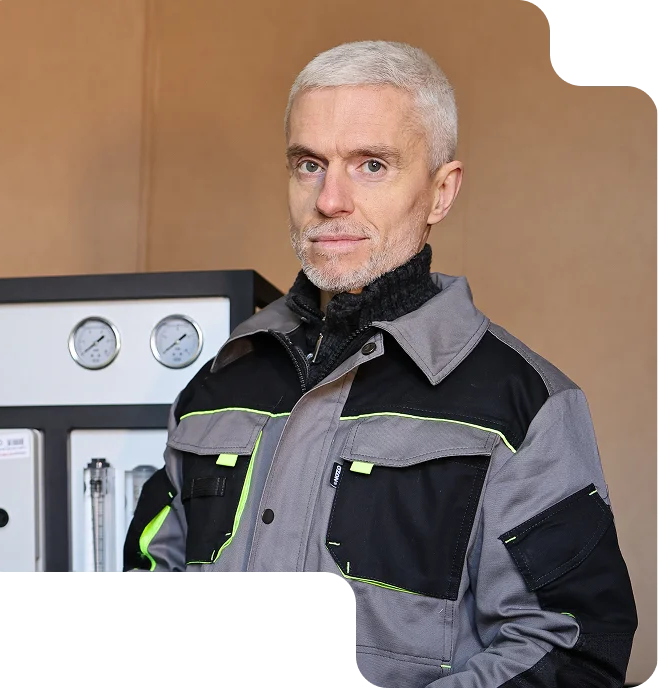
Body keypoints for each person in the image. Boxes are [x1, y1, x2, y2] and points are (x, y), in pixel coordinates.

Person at [123, 40, 638, 687]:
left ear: (441, 192)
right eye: (309, 164)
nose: (330, 200)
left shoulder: (524, 406)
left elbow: (571, 649)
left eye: (371, 165)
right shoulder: (219, 384)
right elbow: (152, 564)